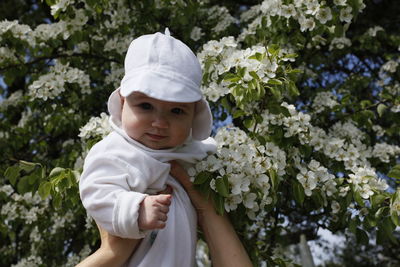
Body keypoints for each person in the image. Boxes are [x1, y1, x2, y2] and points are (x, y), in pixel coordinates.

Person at [78, 29, 217, 266]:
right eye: (145, 106)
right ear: (122, 103)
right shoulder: (116, 150)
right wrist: (135, 209)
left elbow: (206, 154)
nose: (160, 123)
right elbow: (95, 191)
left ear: (194, 115)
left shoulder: (188, 151)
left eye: (176, 111)